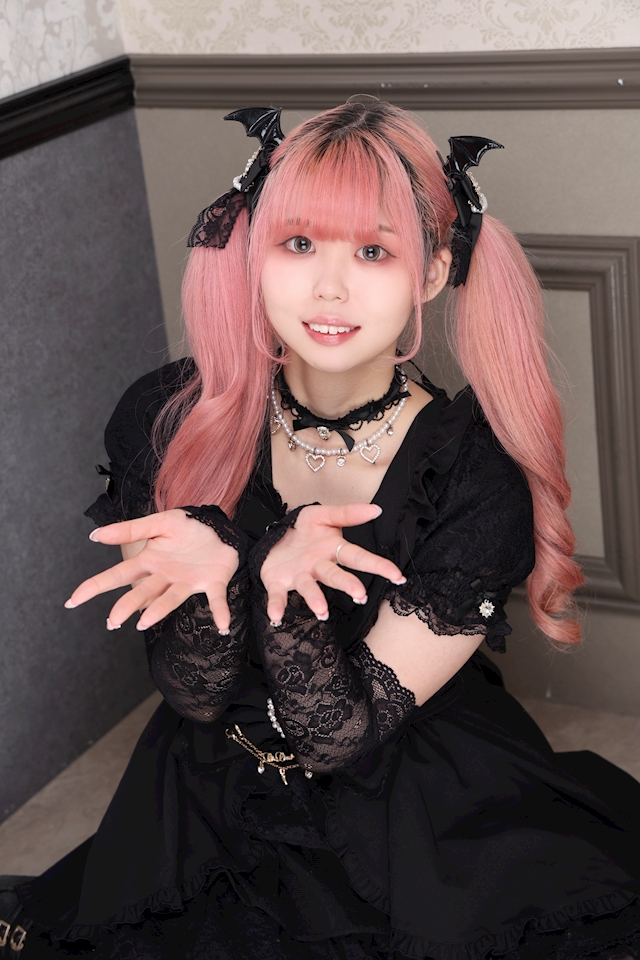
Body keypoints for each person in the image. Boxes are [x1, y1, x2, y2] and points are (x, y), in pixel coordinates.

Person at [7, 99, 640, 959]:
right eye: (298, 243)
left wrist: (271, 579)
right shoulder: (166, 418)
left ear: (430, 274)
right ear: (252, 254)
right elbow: (194, 698)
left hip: (416, 803)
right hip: (206, 792)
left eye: (374, 252)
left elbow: (338, 737)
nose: (329, 289)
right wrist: (219, 577)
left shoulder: (473, 469)